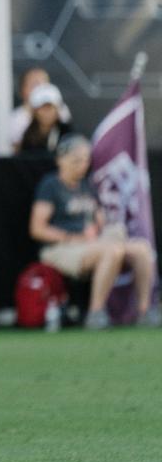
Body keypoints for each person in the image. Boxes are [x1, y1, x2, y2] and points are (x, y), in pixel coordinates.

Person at [29, 135, 158, 329]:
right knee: (112, 251)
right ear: (60, 160)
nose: (82, 165)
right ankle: (95, 313)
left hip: (91, 243)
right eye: (76, 160)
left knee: (141, 249)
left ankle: (144, 311)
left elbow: (100, 221)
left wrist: (97, 229)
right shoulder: (51, 185)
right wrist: (73, 237)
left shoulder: (86, 186)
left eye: (85, 160)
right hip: (60, 248)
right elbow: (37, 229)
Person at [18, 83, 72, 156]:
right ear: (34, 111)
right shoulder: (28, 135)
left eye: (50, 108)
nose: (46, 113)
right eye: (42, 108)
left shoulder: (67, 132)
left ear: (58, 110)